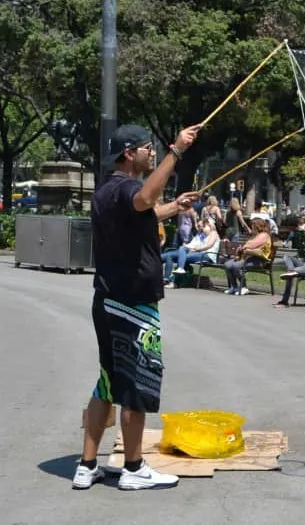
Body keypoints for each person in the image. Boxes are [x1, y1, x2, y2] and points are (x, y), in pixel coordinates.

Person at [76, 122, 200, 491]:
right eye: (148, 148)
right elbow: (145, 199)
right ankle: (133, 469)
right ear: (129, 153)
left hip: (107, 301)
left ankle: (86, 466)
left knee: (107, 384)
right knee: (136, 385)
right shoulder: (130, 188)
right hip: (133, 305)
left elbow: (143, 212)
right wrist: (176, 150)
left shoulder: (107, 191)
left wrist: (174, 207)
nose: (152, 154)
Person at [161, 219, 220, 288]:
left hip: (207, 255)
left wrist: (197, 249)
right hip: (197, 253)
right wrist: (189, 248)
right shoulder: (201, 235)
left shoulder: (213, 233)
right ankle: (166, 279)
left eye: (202, 226)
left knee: (182, 257)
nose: (200, 228)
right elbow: (192, 245)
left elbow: (209, 245)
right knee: (175, 253)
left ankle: (175, 280)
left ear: (208, 225)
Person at [223, 219, 273, 295]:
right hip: (248, 259)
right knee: (228, 264)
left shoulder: (264, 235)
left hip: (259, 261)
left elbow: (256, 248)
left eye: (252, 227)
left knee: (235, 266)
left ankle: (244, 287)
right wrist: (242, 250)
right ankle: (234, 287)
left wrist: (245, 249)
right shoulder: (254, 236)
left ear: (258, 227)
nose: (251, 228)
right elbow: (247, 247)